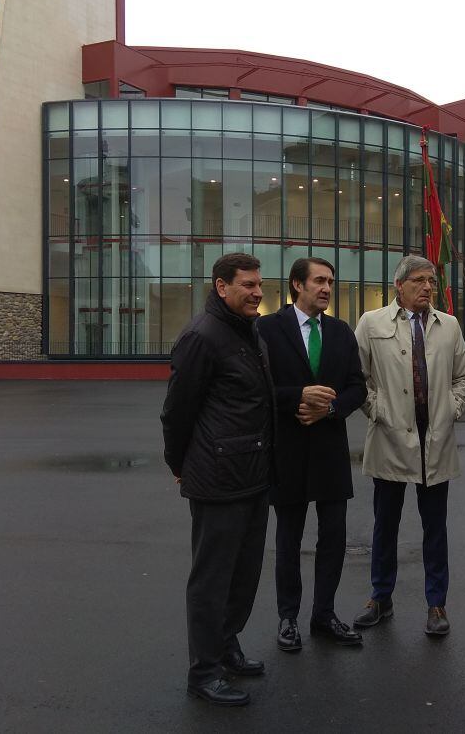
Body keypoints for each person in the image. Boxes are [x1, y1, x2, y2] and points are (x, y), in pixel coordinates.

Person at [160, 252, 275, 707]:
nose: (257, 292)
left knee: (243, 576)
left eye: (259, 284)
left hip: (253, 475)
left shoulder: (250, 332)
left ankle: (227, 646)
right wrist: (180, 465)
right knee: (211, 580)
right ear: (221, 287)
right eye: (247, 285)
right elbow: (176, 412)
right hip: (218, 478)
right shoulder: (201, 337)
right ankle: (203, 672)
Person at [352, 255, 465, 636]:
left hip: (434, 442)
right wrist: (378, 410)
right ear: (399, 287)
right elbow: (358, 378)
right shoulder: (371, 323)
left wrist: (450, 410)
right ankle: (380, 597)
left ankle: (436, 604)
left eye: (432, 282)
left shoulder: (449, 326)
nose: (427, 288)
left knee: (434, 529)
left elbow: (464, 377)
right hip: (390, 438)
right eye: (419, 281)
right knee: (384, 526)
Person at [256, 258, 367, 653]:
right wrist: (297, 397)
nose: (326, 288)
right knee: (288, 539)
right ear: (297, 285)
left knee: (333, 537)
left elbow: (358, 387)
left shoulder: (340, 332)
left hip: (330, 452)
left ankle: (324, 614)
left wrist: (332, 409)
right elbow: (255, 388)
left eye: (330, 282)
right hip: (286, 449)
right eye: (319, 281)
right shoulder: (267, 329)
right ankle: (289, 617)